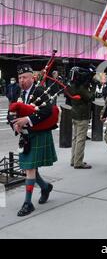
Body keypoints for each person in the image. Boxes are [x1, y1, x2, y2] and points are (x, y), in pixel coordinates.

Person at [12, 64, 57, 217]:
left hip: (39, 133)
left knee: (30, 168)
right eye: (19, 78)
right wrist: (15, 124)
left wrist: (28, 119)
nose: (21, 80)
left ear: (32, 78)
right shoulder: (18, 92)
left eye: (24, 77)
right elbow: (12, 112)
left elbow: (47, 110)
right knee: (29, 168)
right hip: (25, 135)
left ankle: (27, 203)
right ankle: (45, 187)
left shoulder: (39, 91)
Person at [68, 66, 96, 169]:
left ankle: (73, 160)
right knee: (81, 139)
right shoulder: (81, 88)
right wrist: (93, 86)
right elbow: (90, 97)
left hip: (75, 114)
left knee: (75, 138)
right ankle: (78, 162)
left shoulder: (72, 86)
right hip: (82, 115)